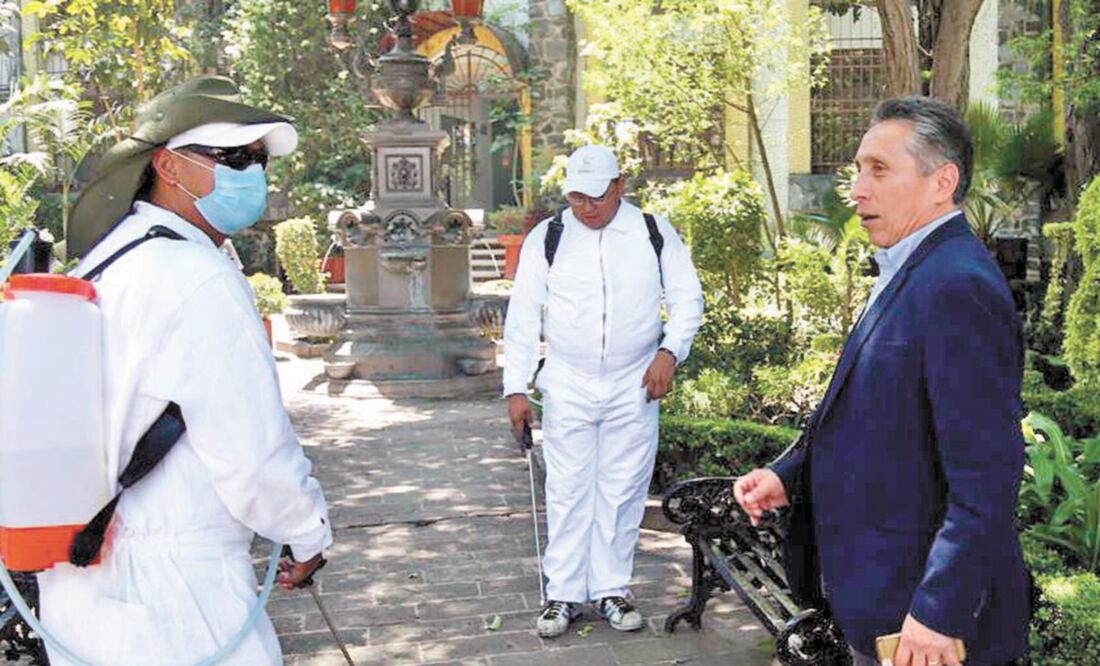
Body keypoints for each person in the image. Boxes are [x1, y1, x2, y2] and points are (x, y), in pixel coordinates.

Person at [36, 76, 333, 665]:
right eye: (234, 158)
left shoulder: (117, 252)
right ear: (169, 167)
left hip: (87, 573)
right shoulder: (193, 276)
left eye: (257, 161)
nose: (253, 173)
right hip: (171, 585)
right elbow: (250, 448)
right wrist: (306, 530)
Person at [734, 97, 1030, 666]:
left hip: (925, 627)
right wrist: (788, 474)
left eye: (878, 169)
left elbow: (986, 478)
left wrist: (939, 612)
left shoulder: (956, 286)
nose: (856, 190)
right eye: (857, 169)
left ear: (942, 181)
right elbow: (882, 414)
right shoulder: (912, 267)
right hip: (883, 604)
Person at [503, 144, 704, 638]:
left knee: (622, 489)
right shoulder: (548, 237)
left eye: (596, 196)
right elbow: (524, 315)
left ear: (620, 187)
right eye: (576, 197)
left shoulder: (653, 233)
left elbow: (687, 298)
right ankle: (563, 595)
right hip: (568, 381)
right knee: (568, 490)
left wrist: (670, 352)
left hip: (633, 382)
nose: (587, 208)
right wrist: (516, 387)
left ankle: (612, 588)